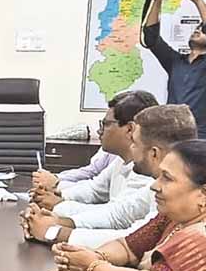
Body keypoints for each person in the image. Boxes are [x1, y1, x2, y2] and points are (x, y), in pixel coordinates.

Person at [50, 139, 206, 271]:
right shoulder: (174, 217)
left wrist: (91, 266)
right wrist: (93, 256)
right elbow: (127, 247)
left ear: (205, 193)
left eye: (167, 178)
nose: (154, 185)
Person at [24, 99, 196, 248]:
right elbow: (118, 214)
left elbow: (133, 240)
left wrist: (54, 231)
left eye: (135, 143)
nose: (131, 147)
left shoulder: (179, 192)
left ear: (154, 154)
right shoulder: (160, 184)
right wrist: (56, 221)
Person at [30, 91, 157, 219]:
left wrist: (58, 204)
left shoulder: (146, 170)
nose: (99, 131)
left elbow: (117, 216)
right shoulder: (121, 161)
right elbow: (94, 189)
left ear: (129, 129)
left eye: (106, 124)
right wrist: (58, 194)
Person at [143, 0, 206, 140]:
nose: (197, 30)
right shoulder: (175, 61)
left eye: (203, 30)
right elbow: (151, 38)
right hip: (171, 135)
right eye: (196, 28)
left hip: (201, 136)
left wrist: (197, 0)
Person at [32, 149, 117, 191]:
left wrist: (56, 184)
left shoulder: (120, 161)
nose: (99, 131)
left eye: (105, 124)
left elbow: (98, 189)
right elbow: (91, 171)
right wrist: (55, 178)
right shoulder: (111, 150)